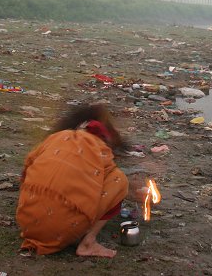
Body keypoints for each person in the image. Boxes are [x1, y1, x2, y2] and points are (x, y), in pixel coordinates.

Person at [15, 104, 130, 258]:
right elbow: (109, 182)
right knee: (119, 181)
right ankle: (88, 243)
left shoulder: (56, 137)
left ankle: (38, 219)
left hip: (26, 224)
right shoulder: (100, 149)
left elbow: (26, 169)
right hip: (65, 230)